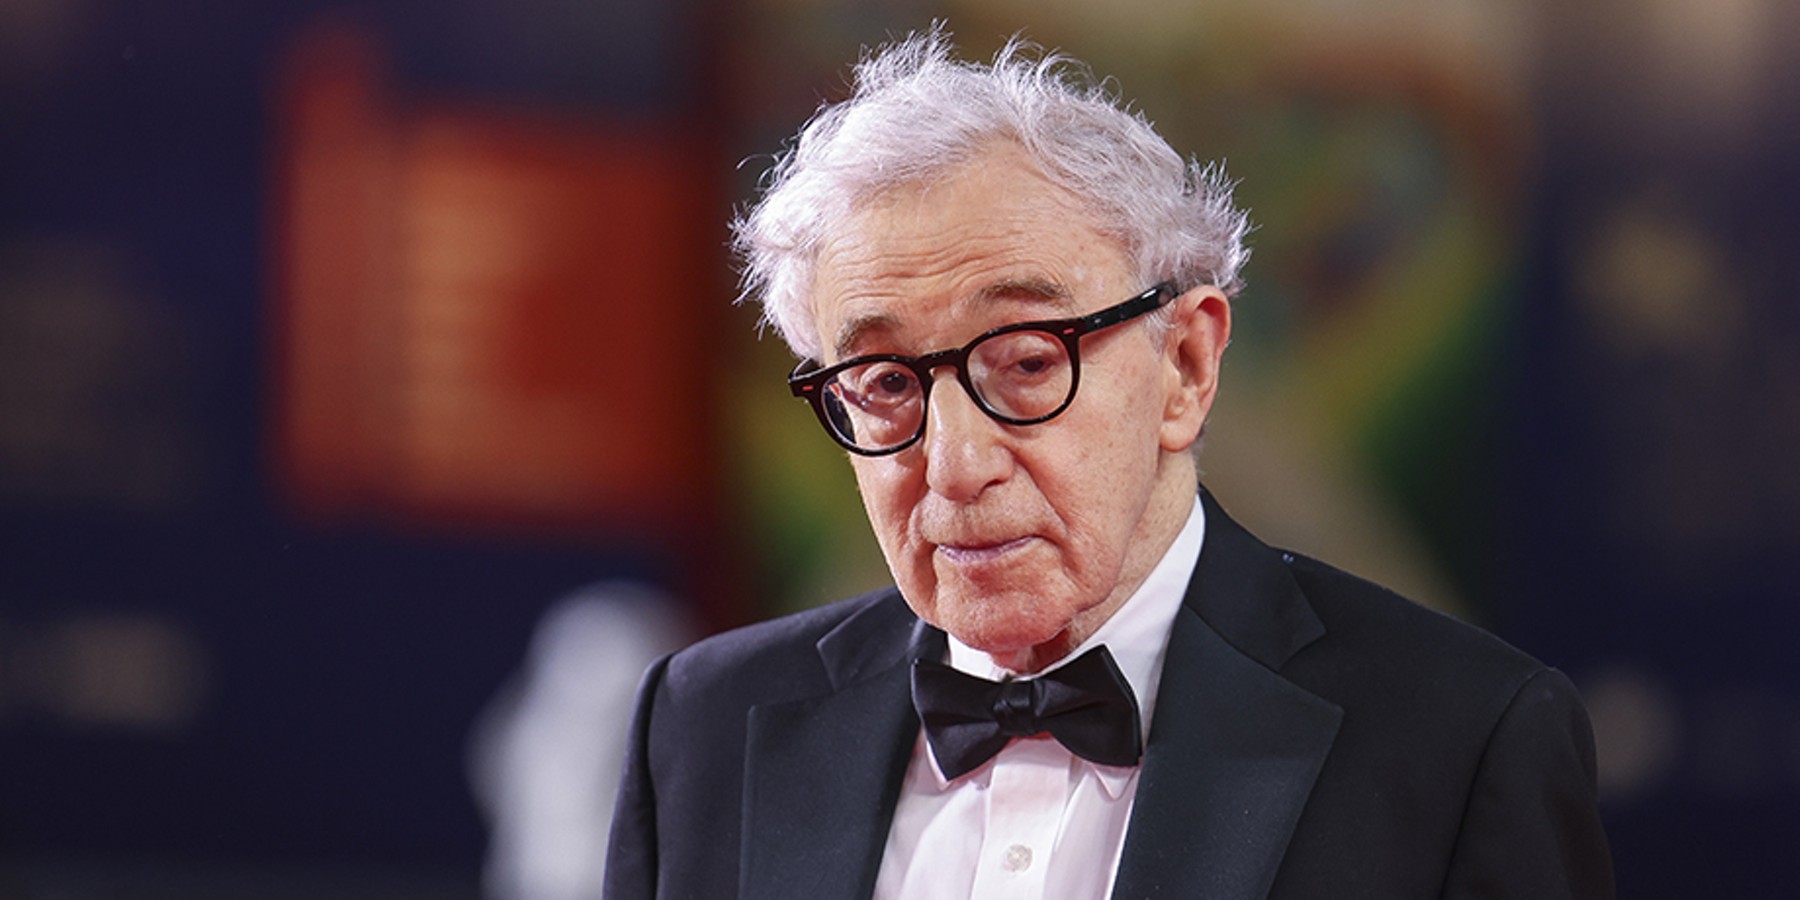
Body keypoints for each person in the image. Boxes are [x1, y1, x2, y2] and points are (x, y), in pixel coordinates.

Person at [605, 28, 1613, 899]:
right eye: (884, 383)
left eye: (1026, 362)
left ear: (1186, 366)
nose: (954, 465)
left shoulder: (1463, 742)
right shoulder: (703, 726)